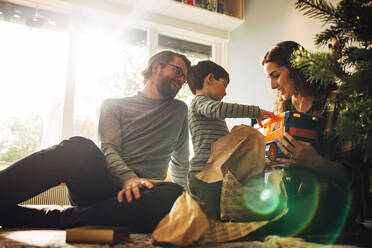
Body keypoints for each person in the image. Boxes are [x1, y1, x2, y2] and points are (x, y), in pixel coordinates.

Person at [0, 50, 191, 233]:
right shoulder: (114, 105)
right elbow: (109, 150)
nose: (181, 80)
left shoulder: (180, 110)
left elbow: (181, 163)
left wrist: (189, 204)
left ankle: (54, 217)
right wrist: (129, 179)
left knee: (173, 193)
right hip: (101, 188)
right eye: (178, 71)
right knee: (78, 147)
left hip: (142, 197)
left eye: (185, 77)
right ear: (156, 67)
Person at [249, 41, 363, 240]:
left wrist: (315, 162)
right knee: (249, 225)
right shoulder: (282, 109)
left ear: (296, 70)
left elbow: (355, 175)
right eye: (269, 78)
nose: (272, 86)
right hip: (288, 203)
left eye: (276, 75)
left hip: (330, 206)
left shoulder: (336, 101)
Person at [186, 60, 274, 218]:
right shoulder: (200, 102)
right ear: (210, 79)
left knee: (219, 217)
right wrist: (255, 111)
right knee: (208, 221)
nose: (225, 93)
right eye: (224, 85)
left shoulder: (205, 106)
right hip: (203, 173)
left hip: (214, 171)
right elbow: (219, 109)